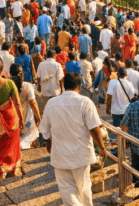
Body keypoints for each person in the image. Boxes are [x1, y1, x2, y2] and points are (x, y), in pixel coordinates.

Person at [40, 73, 107, 206]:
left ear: (63, 85)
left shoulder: (51, 103)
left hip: (60, 154)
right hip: (81, 154)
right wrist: (102, 147)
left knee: (66, 189)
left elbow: (44, 129)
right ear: (80, 85)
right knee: (84, 186)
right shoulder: (85, 102)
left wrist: (48, 142)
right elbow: (94, 128)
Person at [9, 63, 41, 149]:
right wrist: (38, 118)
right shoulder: (28, 86)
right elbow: (33, 103)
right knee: (28, 136)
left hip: (12, 120)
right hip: (27, 120)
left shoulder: (7, 86)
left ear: (10, 74)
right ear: (22, 73)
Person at [36, 48, 64, 113]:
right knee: (55, 112)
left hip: (44, 91)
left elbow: (38, 77)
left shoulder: (41, 64)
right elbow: (60, 79)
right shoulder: (57, 65)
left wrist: (38, 86)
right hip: (55, 91)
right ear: (54, 56)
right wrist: (62, 89)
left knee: (44, 112)